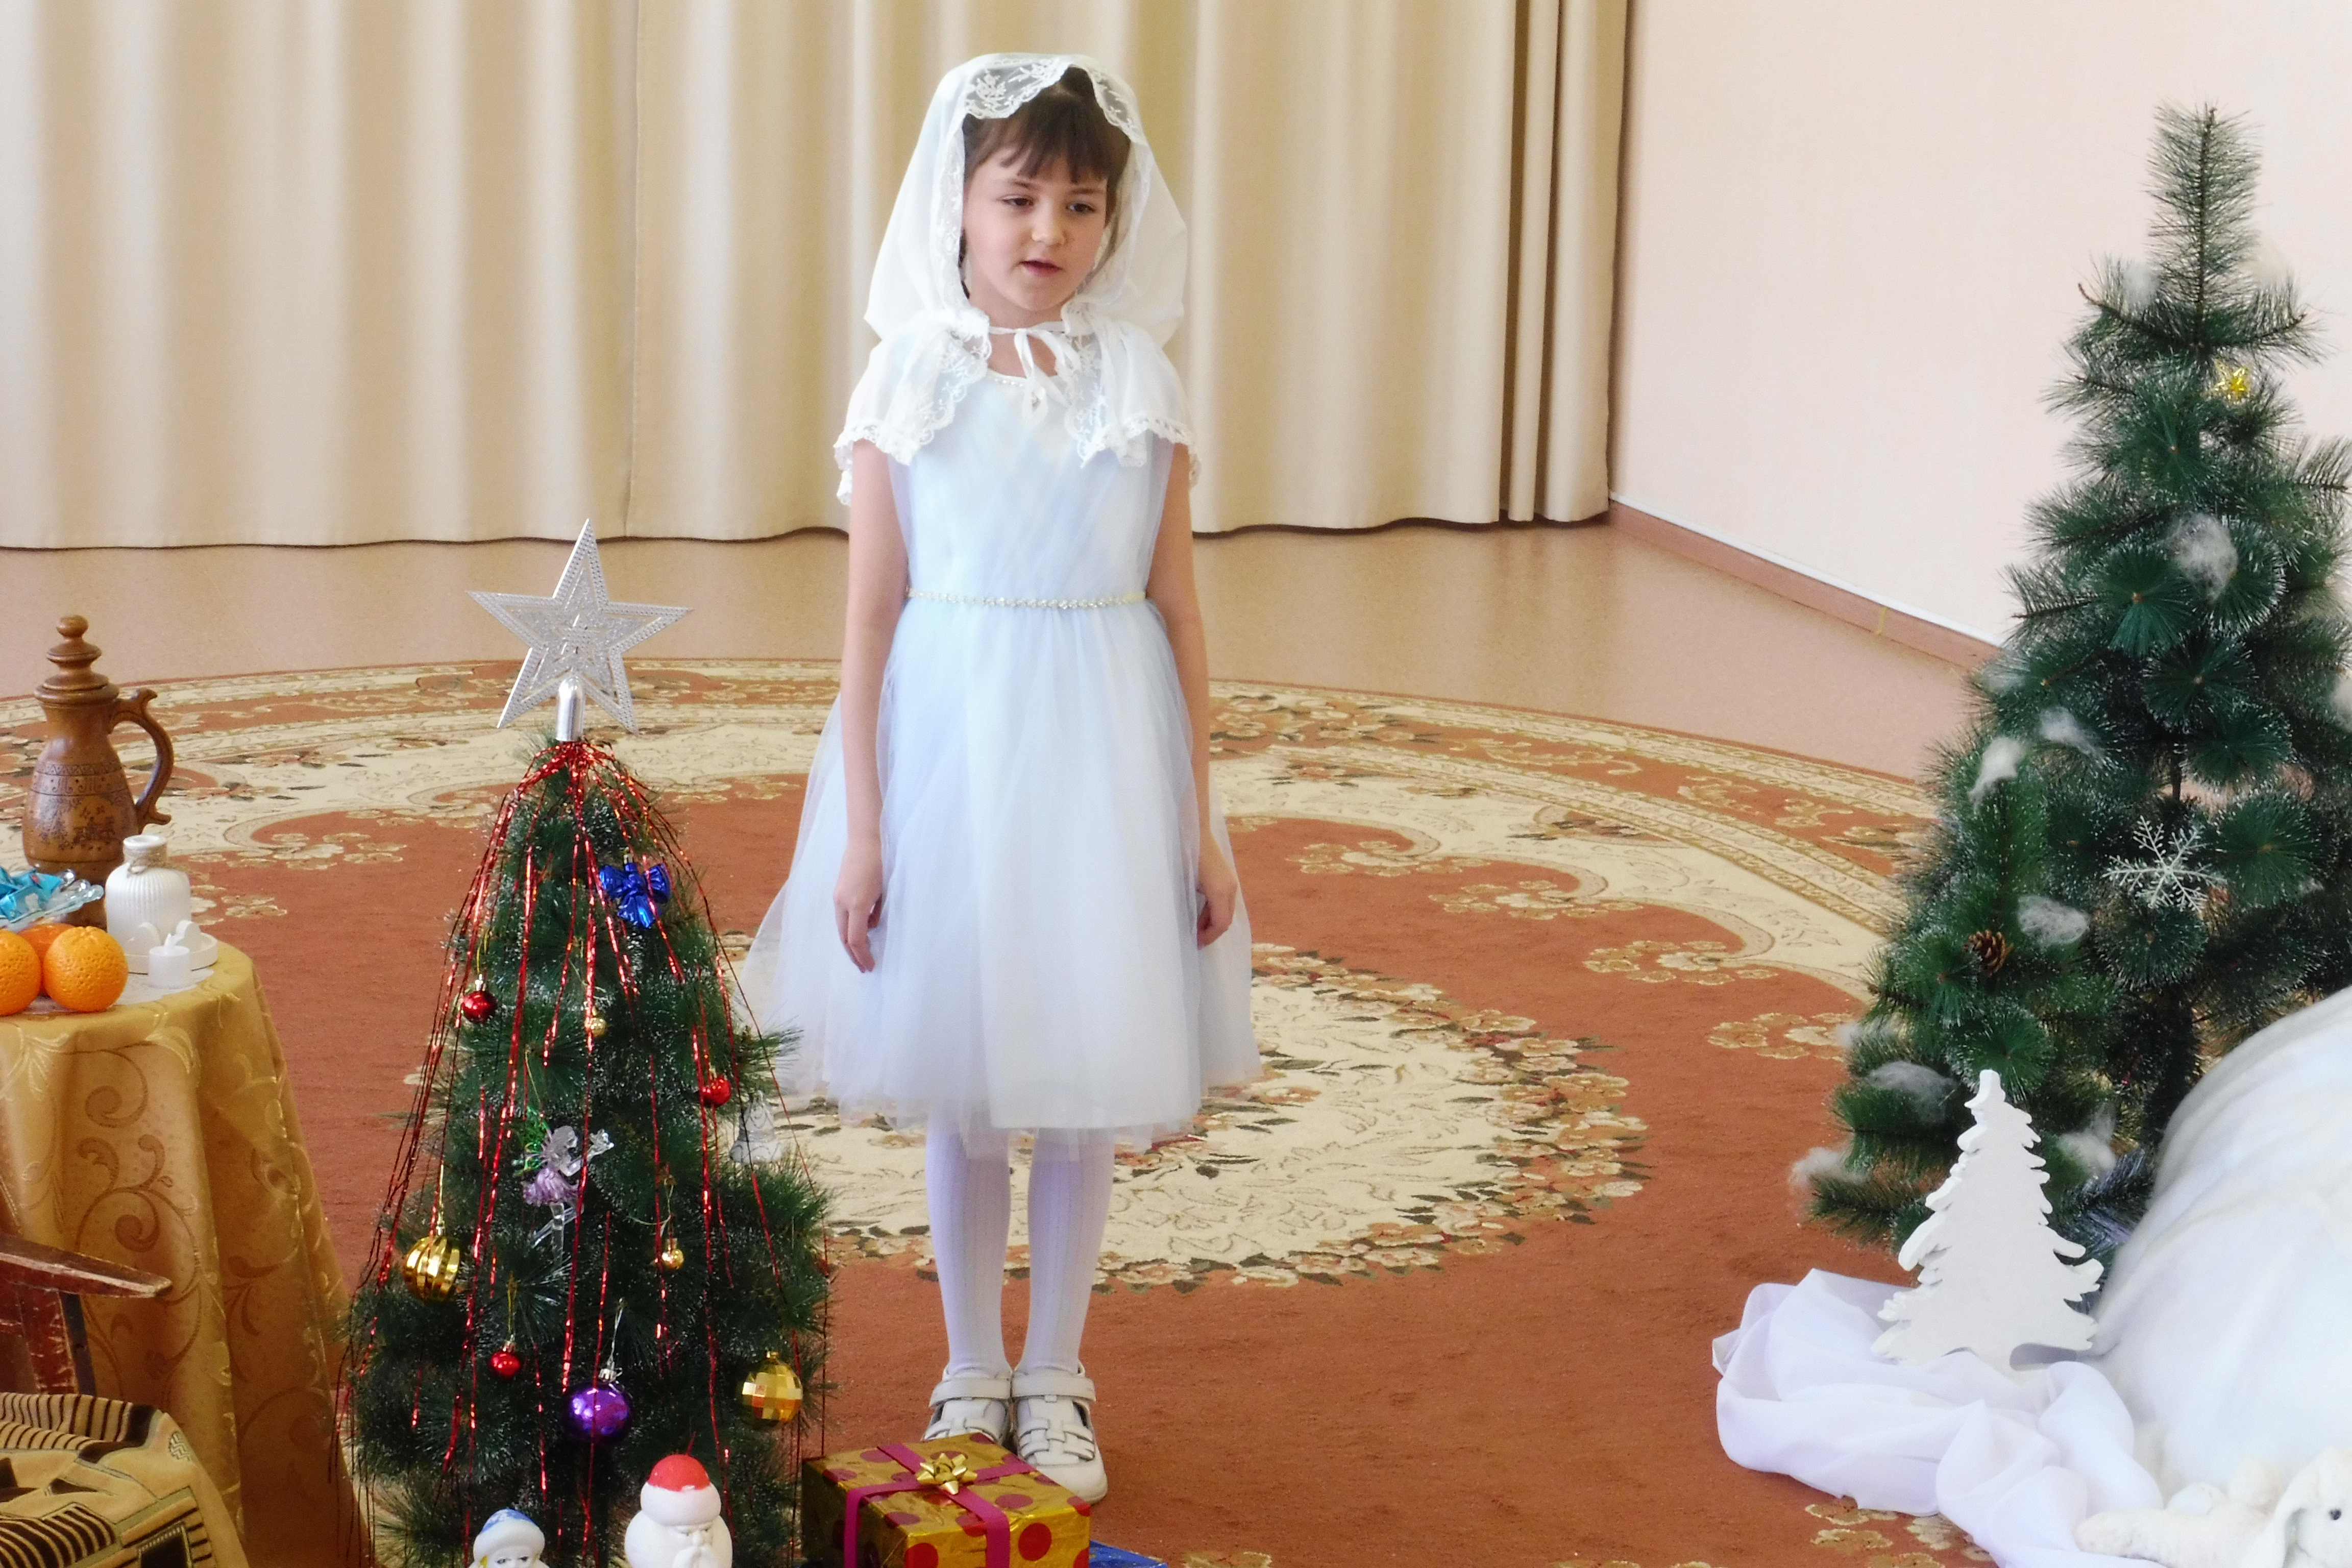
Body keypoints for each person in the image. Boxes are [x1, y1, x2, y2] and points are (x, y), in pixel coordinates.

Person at [741, 54, 1258, 1504]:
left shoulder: (1137, 377)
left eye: (1081, 205)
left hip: (1105, 750)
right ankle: (972, 1364)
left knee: (1088, 1071)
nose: (1048, 231)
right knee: (966, 1080)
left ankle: (1061, 1374)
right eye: (1018, 197)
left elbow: (1179, 611)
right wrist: (865, 829)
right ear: (957, 206)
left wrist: (1199, 821)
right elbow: (871, 620)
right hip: (952, 750)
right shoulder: (912, 374)